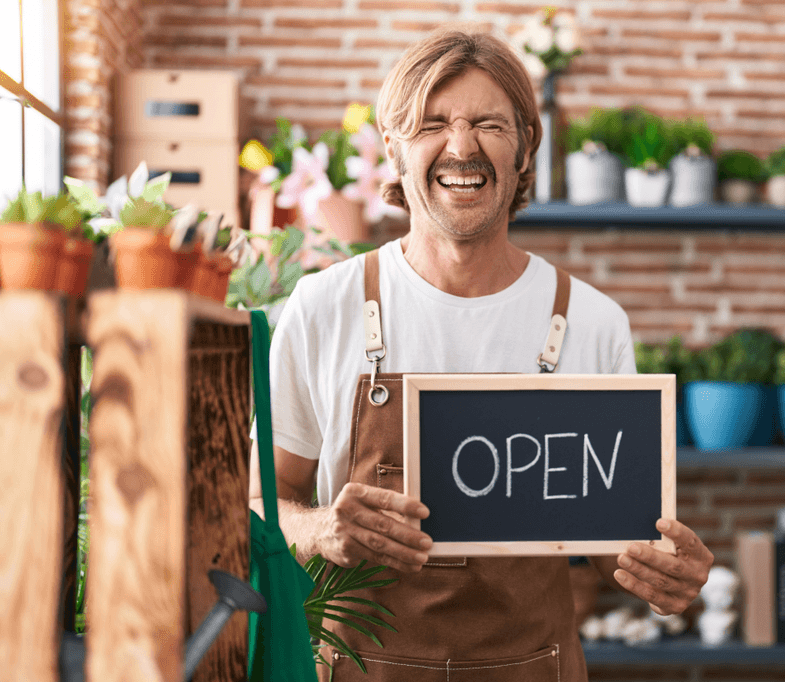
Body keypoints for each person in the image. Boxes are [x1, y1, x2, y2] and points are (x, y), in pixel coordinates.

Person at [249, 28, 714, 682]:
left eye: (490, 124)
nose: (461, 146)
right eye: (433, 123)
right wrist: (322, 527)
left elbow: (616, 539)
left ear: (525, 151)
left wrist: (663, 572)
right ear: (393, 148)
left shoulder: (592, 323)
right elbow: (259, 499)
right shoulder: (323, 306)